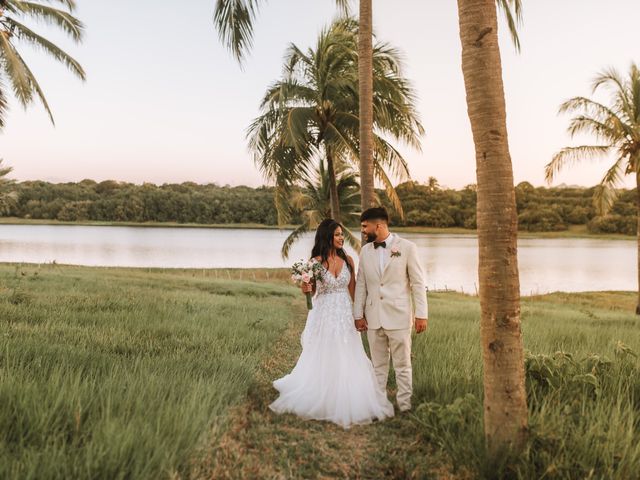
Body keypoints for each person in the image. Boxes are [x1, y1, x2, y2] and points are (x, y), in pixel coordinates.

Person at [270, 219, 394, 428]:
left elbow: (354, 290)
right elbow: (312, 291)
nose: (341, 238)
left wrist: (360, 315)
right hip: (323, 312)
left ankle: (347, 391)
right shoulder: (315, 262)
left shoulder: (348, 261)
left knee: (348, 349)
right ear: (327, 236)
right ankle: (319, 390)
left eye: (341, 234)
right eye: (337, 234)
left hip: (344, 311)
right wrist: (305, 288)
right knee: (324, 348)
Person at [353, 207, 428, 413]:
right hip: (373, 318)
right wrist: (358, 314)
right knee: (378, 366)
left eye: (365, 226)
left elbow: (418, 283)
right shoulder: (365, 251)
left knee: (403, 366)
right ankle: (379, 406)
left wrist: (422, 314)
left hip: (399, 317)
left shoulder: (407, 248)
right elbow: (361, 285)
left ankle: (405, 407)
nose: (363, 231)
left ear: (379, 225)